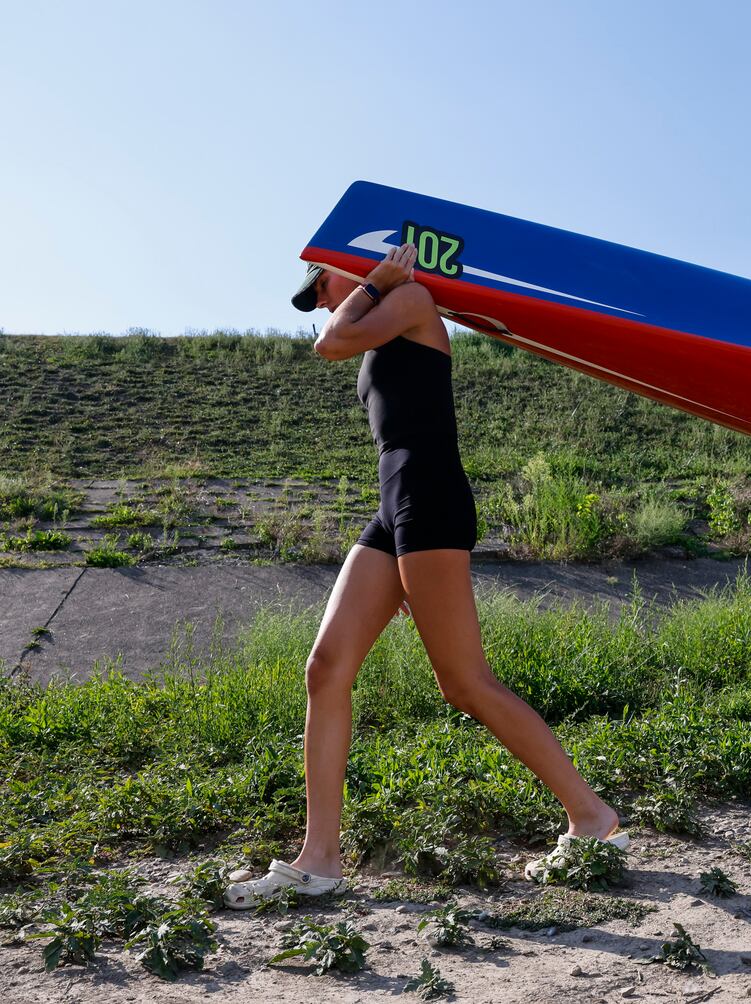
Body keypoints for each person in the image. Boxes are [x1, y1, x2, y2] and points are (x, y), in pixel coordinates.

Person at [225, 246, 625, 908]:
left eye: (321, 283)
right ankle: (319, 859)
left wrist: (377, 282)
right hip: (395, 505)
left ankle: (592, 817)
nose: (321, 299)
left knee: (465, 683)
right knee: (325, 668)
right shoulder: (377, 319)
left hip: (428, 496)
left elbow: (330, 344)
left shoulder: (409, 302)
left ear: (350, 263)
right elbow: (342, 344)